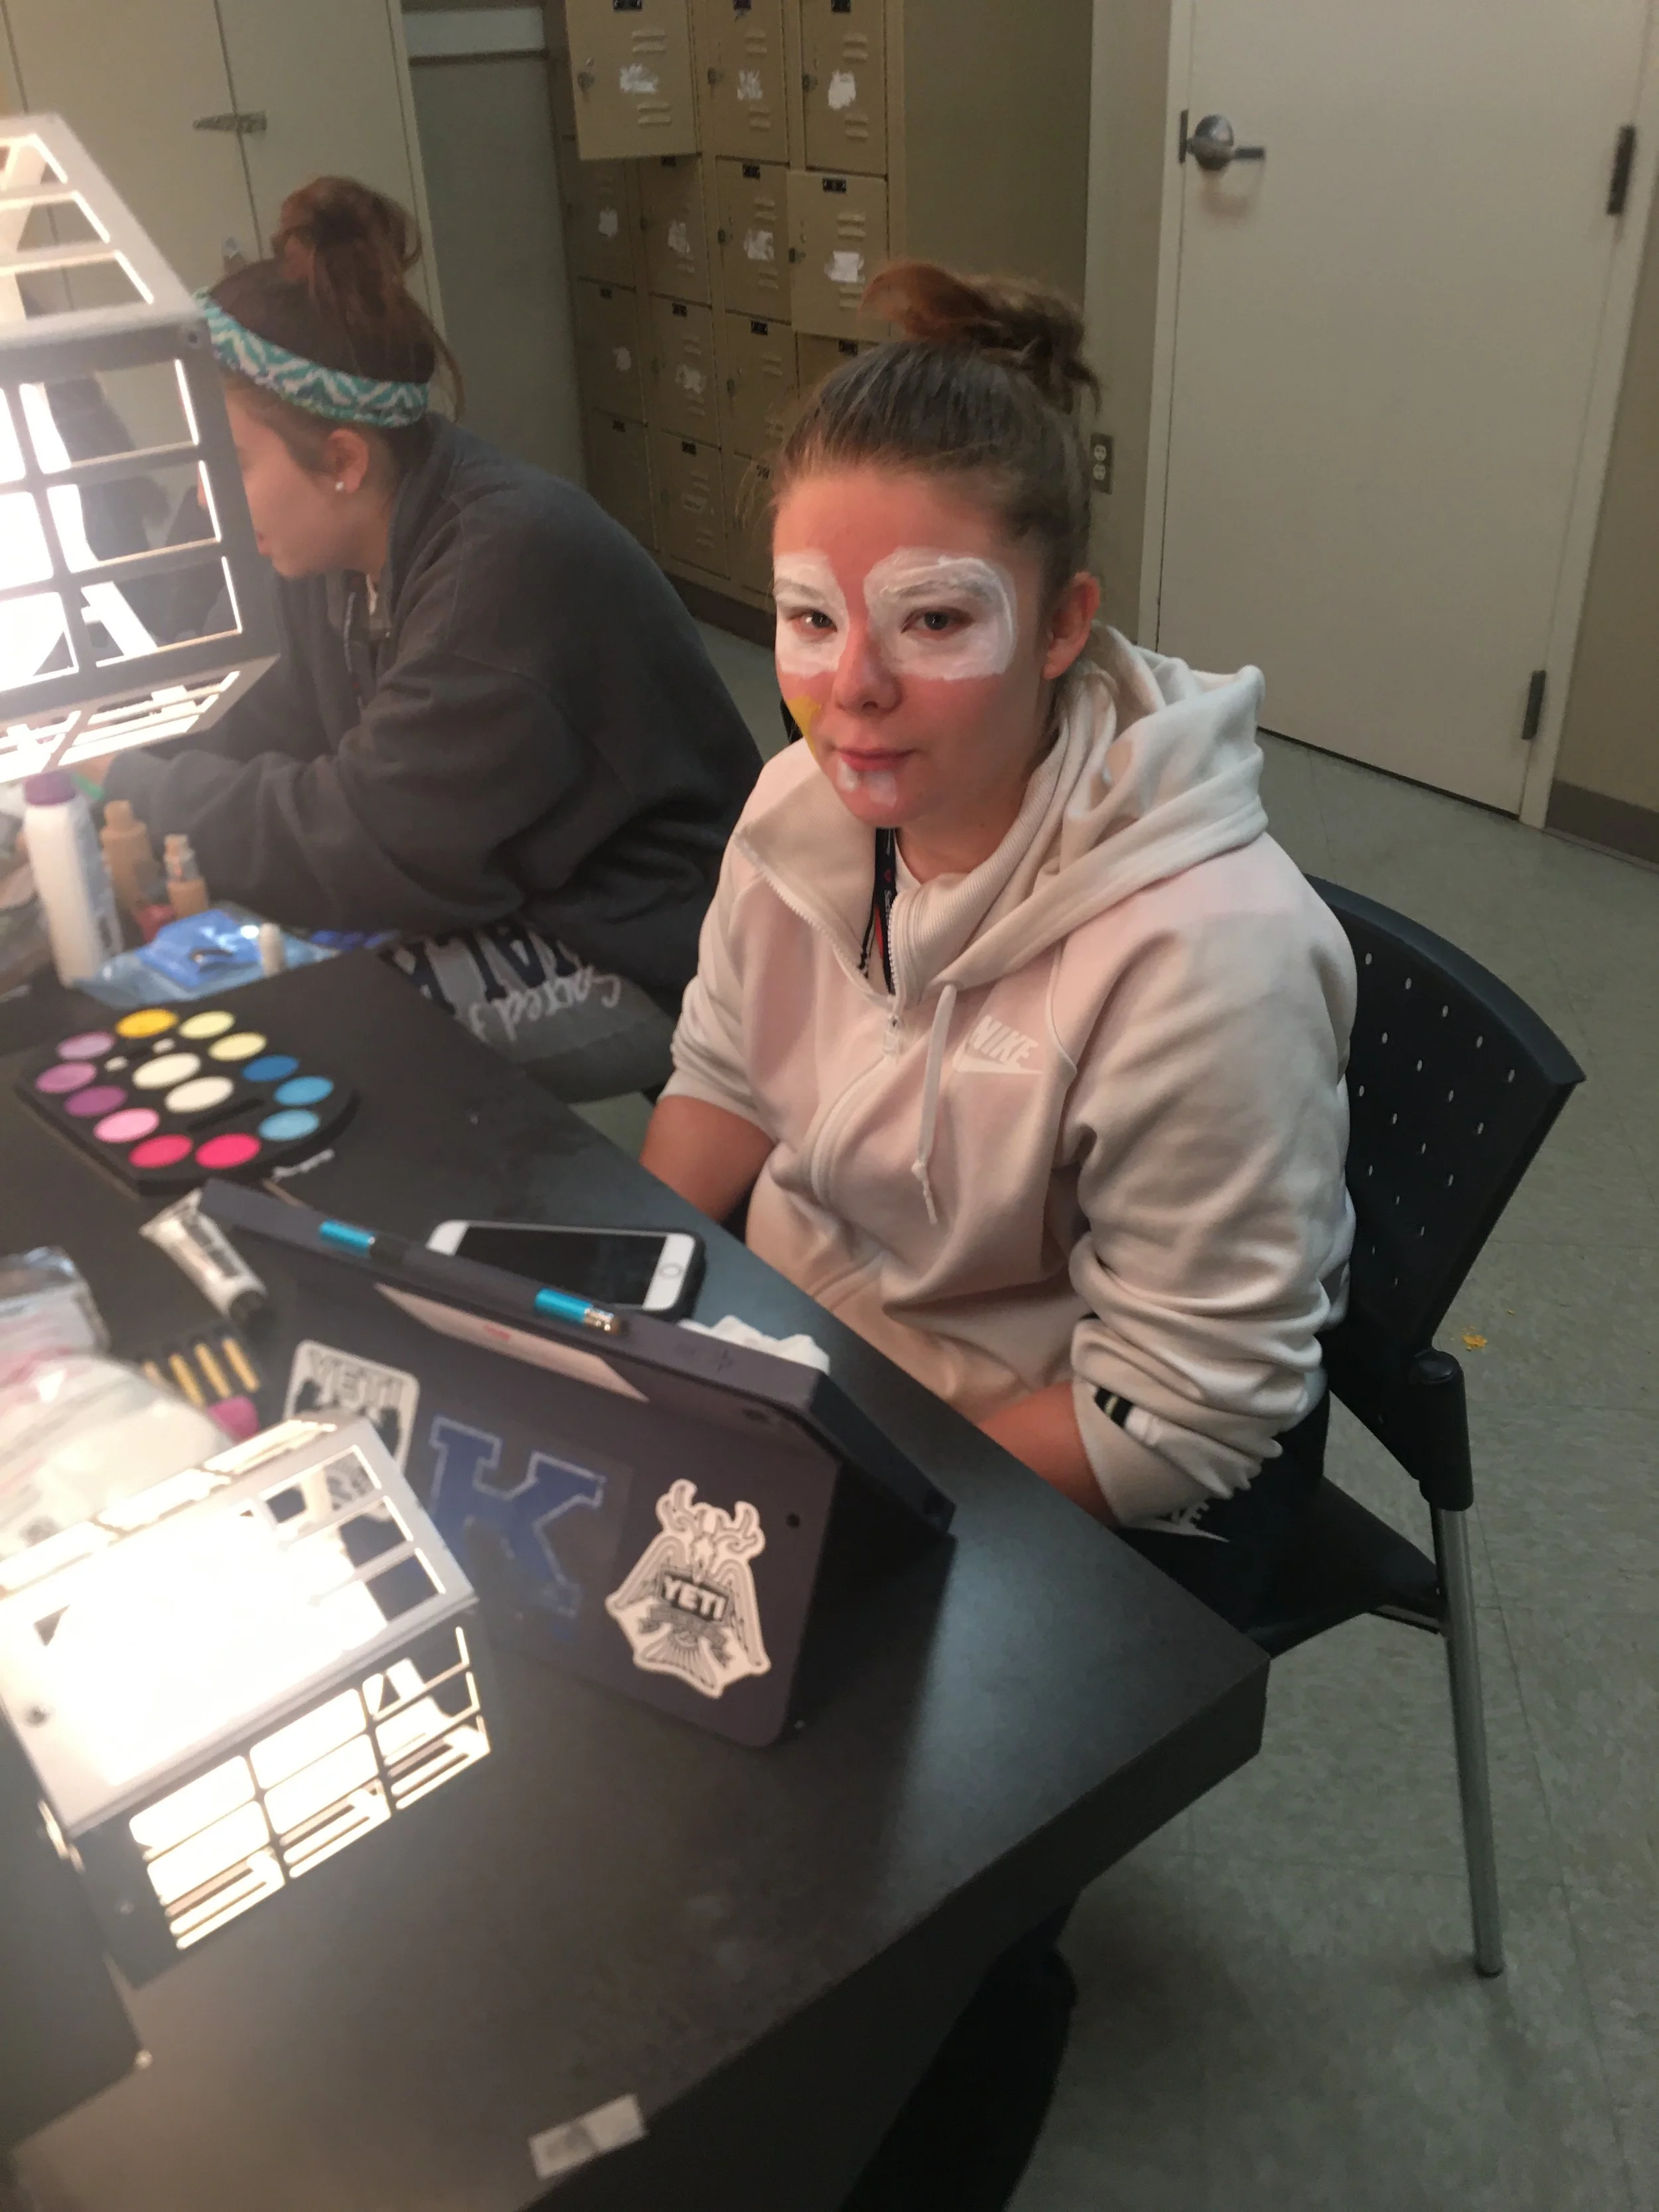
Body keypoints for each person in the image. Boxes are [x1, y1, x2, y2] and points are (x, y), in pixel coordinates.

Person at [640, 260, 1356, 2207]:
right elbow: (719, 1078)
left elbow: (1176, 1416)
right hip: (831, 1356)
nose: (846, 687)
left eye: (930, 621)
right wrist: (619, 1312)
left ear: (1061, 627)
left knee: (906, 1904)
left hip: (1084, 1449)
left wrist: (821, 1497)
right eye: (805, 620)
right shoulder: (801, 806)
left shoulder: (1207, 956)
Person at [100, 178, 759, 1101]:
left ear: (342, 460)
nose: (206, 497)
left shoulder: (503, 562)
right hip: (503, 880)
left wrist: (121, 792)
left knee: (310, 1038)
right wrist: (110, 766)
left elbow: (365, 845)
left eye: (233, 461)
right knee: (222, 981)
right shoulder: (330, 549)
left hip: (646, 939)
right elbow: (259, 717)